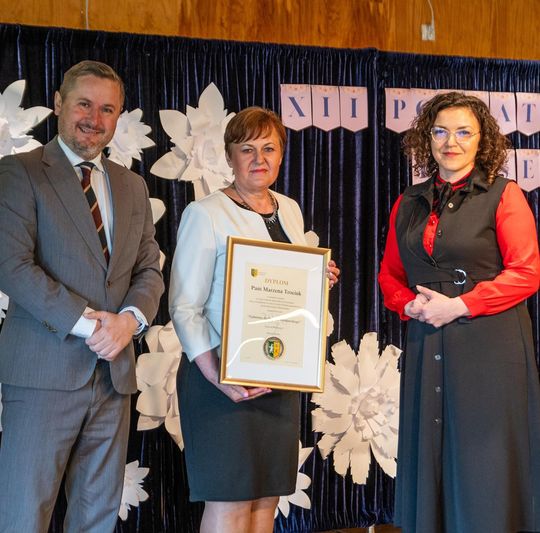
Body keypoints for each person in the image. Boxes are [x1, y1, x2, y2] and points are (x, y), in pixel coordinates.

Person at [0, 60, 164, 532]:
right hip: (41, 374)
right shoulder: (19, 172)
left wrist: (129, 322)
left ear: (118, 117)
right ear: (58, 103)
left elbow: (149, 270)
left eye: (107, 109)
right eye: (84, 104)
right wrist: (92, 325)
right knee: (23, 516)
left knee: (96, 518)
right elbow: (12, 266)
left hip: (113, 378)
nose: (94, 118)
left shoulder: (133, 187)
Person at [169, 107, 339, 533]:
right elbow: (184, 306)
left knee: (265, 501)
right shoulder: (205, 213)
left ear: (281, 154)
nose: (259, 159)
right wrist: (217, 375)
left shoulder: (290, 210)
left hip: (278, 375)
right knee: (230, 501)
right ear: (230, 156)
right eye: (247, 149)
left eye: (269, 148)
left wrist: (317, 279)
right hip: (220, 380)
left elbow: (283, 287)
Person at [378, 91, 540, 533]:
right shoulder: (408, 201)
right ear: (426, 138)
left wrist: (461, 305)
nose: (451, 142)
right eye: (441, 131)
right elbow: (390, 275)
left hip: (489, 349)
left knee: (483, 467)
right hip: (427, 342)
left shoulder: (504, 195)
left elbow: (527, 273)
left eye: (464, 132)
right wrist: (408, 303)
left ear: (481, 140)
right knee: (431, 460)